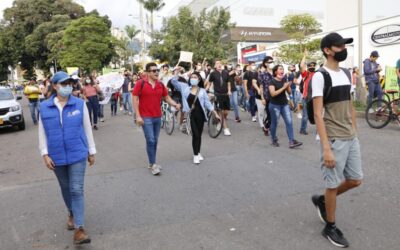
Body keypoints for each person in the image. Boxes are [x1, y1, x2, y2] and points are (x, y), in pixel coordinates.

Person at [311, 32, 362, 248]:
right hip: (333, 138)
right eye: (339, 46)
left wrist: (354, 129)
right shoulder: (320, 76)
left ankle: (323, 200)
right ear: (327, 50)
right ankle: (330, 226)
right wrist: (326, 148)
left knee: (356, 179)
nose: (343, 49)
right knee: (332, 184)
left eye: (344, 45)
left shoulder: (346, 73)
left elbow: (350, 103)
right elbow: (317, 114)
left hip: (350, 137)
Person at [38, 71, 96, 245]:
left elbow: (87, 128)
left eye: (70, 83)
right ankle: (71, 211)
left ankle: (79, 228)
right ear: (55, 86)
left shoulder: (79, 104)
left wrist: (91, 151)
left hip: (77, 152)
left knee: (76, 189)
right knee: (65, 188)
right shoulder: (44, 106)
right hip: (56, 156)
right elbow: (42, 132)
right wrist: (44, 154)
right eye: (64, 84)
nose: (68, 87)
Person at [132, 62, 181, 175]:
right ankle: (153, 164)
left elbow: (166, 97)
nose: (156, 72)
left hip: (157, 117)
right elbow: (134, 99)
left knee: (155, 140)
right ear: (148, 73)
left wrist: (175, 104)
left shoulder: (160, 85)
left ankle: (151, 162)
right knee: (151, 140)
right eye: (154, 71)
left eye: (157, 70)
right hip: (146, 117)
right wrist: (138, 116)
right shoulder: (141, 83)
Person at [171, 69, 220, 164]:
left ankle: (198, 151)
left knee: (199, 135)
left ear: (199, 80)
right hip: (190, 115)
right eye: (192, 77)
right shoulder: (184, 87)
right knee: (195, 135)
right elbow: (174, 81)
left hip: (201, 115)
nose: (193, 78)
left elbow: (208, 104)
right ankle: (195, 155)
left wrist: (215, 113)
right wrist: (177, 73)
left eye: (195, 77)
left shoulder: (202, 91)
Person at [268, 65, 303, 148]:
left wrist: (288, 86)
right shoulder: (272, 81)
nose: (282, 70)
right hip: (274, 105)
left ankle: (291, 141)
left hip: (284, 104)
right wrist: (283, 87)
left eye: (282, 69)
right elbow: (273, 94)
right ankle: (273, 139)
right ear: (275, 71)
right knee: (274, 123)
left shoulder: (284, 80)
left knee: (289, 122)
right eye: (280, 69)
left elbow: (290, 92)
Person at [206, 60, 232, 136]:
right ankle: (226, 129)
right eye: (217, 63)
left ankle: (218, 122)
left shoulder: (226, 73)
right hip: (217, 94)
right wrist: (206, 91)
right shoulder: (213, 74)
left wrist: (229, 91)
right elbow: (209, 83)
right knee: (221, 112)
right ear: (215, 66)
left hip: (226, 94)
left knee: (226, 112)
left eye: (220, 63)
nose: (219, 65)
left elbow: (229, 83)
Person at [299, 50, 316, 135]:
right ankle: (302, 129)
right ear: (308, 66)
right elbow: (301, 66)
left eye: (313, 65)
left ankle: (319, 130)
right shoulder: (306, 74)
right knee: (305, 115)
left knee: (317, 115)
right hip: (306, 97)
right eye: (310, 65)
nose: (312, 66)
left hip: (315, 98)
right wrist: (304, 56)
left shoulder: (317, 74)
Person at [259, 56, 274, 136]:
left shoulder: (276, 73)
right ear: (265, 63)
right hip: (267, 97)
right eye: (269, 62)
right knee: (270, 115)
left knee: (274, 115)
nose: (271, 63)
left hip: (276, 96)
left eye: (272, 62)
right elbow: (261, 86)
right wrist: (262, 98)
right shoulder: (262, 74)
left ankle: (267, 125)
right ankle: (267, 127)